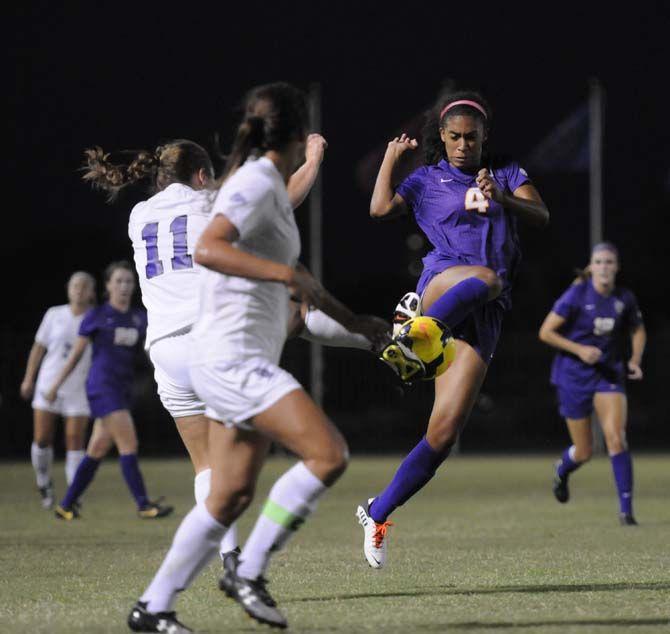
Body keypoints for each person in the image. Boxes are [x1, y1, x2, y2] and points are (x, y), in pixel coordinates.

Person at [127, 81, 389, 633]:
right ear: (296, 136)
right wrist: (287, 275)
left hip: (193, 352)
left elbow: (299, 290)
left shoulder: (249, 187)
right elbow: (209, 247)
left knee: (227, 494)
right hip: (229, 358)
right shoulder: (251, 183)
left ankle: (152, 607)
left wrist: (358, 325)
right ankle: (248, 569)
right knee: (327, 454)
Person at [82, 135, 379, 571]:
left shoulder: (137, 214)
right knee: (294, 311)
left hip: (165, 352)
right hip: (210, 342)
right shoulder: (209, 203)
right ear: (202, 175)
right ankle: (382, 341)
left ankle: (227, 556)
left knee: (205, 465)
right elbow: (284, 199)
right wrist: (314, 157)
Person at [356, 89, 550, 569]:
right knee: (486, 277)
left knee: (442, 436)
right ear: (441, 137)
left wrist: (501, 197)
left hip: (484, 313)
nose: (464, 145)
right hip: (444, 283)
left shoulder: (504, 172)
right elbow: (379, 211)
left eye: (472, 137)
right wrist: (390, 158)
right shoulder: (425, 178)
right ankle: (414, 335)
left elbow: (542, 214)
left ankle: (376, 513)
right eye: (455, 137)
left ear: (485, 137)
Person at [45, 261, 173, 520]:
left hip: (123, 389)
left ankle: (66, 505)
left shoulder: (139, 317)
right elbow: (76, 355)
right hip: (102, 388)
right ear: (107, 286)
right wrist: (55, 385)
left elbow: (153, 352)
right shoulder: (97, 316)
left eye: (129, 281)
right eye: (119, 281)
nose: (124, 286)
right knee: (129, 443)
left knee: (97, 449)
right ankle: (143, 504)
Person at [539, 242, 645, 525]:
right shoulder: (576, 294)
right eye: (599, 262)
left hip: (608, 375)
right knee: (584, 451)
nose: (604, 267)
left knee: (616, 438)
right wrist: (579, 350)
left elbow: (638, 330)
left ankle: (626, 512)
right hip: (573, 376)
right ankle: (562, 469)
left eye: (609, 262)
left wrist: (634, 360)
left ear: (617, 267)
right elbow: (546, 332)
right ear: (591, 267)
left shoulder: (624, 298)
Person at [20, 271, 96, 509]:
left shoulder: (95, 318)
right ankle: (44, 481)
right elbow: (38, 349)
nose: (79, 290)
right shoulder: (54, 314)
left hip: (79, 387)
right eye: (75, 285)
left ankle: (73, 495)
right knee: (42, 439)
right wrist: (28, 379)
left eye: (84, 286)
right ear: (68, 288)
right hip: (48, 384)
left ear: (91, 292)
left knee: (75, 441)